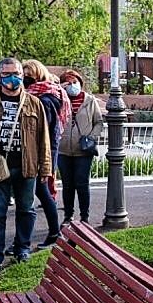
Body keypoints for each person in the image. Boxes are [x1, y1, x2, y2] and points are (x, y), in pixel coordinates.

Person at [0, 56, 51, 276]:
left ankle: (22, 248)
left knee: (26, 209)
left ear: (22, 75)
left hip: (26, 167)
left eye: (15, 74)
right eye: (6, 74)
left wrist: (45, 169)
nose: (11, 78)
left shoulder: (34, 103)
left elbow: (43, 138)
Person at [21, 59, 69, 248]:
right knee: (37, 194)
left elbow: (44, 132)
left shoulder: (45, 99)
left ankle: (53, 234)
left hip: (41, 154)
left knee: (41, 193)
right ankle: (28, 239)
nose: (25, 80)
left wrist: (42, 161)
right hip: (38, 152)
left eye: (28, 75)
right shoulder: (42, 95)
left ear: (37, 75)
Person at [56, 67, 104, 226]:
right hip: (63, 150)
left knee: (82, 184)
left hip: (83, 150)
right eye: (68, 83)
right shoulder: (59, 100)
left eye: (74, 82)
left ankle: (84, 217)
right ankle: (68, 216)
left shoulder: (89, 100)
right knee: (67, 185)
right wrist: (59, 91)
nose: (72, 85)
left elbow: (98, 122)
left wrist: (91, 137)